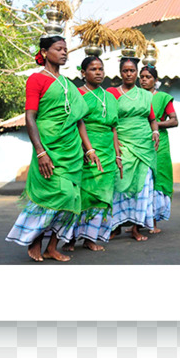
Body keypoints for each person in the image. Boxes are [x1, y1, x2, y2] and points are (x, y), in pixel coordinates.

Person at [5, 35, 100, 262]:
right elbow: (30, 116)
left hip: (72, 151)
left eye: (66, 49)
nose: (64, 53)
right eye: (59, 49)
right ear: (45, 52)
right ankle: (36, 241)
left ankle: (52, 246)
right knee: (52, 195)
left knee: (71, 198)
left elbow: (79, 120)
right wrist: (40, 151)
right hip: (48, 147)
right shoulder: (36, 80)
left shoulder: (69, 85)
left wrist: (89, 150)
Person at [63, 56, 120, 252]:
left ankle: (90, 238)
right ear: (83, 73)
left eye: (101, 69)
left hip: (108, 151)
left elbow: (114, 128)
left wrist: (118, 155)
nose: (98, 72)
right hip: (85, 149)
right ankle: (70, 238)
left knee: (101, 197)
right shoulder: (77, 94)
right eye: (93, 69)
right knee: (82, 195)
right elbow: (77, 123)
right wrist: (88, 149)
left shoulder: (110, 97)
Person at [100, 57, 159, 242]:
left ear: (136, 73)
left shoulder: (145, 95)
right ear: (120, 73)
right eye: (125, 70)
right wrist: (116, 148)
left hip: (145, 146)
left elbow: (152, 118)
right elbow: (112, 123)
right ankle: (115, 226)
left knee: (143, 186)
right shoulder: (111, 93)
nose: (129, 74)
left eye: (132, 71)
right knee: (119, 184)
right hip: (123, 143)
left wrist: (155, 131)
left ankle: (136, 227)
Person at [140, 65, 178, 234]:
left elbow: (174, 120)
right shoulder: (135, 96)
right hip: (138, 141)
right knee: (140, 180)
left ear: (155, 80)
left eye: (148, 77)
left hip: (158, 143)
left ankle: (153, 223)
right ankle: (138, 222)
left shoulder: (162, 97)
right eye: (141, 76)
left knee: (157, 180)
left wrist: (154, 125)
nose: (144, 79)